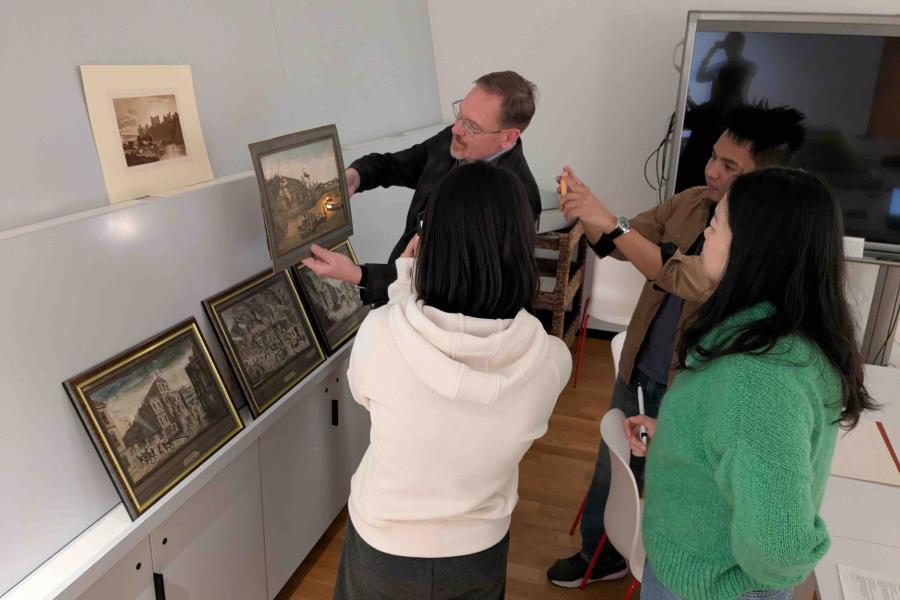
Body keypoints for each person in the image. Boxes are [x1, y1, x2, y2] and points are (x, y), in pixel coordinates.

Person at [547, 102, 806, 587]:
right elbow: (621, 242)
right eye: (713, 156)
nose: (711, 171)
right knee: (612, 470)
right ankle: (601, 552)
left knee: (674, 487)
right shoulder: (688, 202)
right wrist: (589, 210)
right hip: (640, 363)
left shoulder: (755, 251)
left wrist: (609, 220)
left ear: (763, 182)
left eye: (730, 166)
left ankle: (653, 560)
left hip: (688, 381)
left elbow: (678, 272)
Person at [622, 168, 875, 600]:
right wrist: (682, 436)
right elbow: (745, 443)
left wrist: (739, 586)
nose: (706, 232)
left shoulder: (757, 377)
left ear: (754, 249)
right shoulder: (775, 333)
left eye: (717, 223)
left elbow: (779, 548)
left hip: (706, 586)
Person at [333, 162, 571, 600]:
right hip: (478, 550)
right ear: (521, 245)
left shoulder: (382, 336)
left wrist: (402, 283)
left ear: (431, 242)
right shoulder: (551, 360)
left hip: (385, 544)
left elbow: (365, 393)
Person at [303, 71, 542, 306]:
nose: (456, 129)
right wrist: (355, 176)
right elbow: (395, 165)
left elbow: (463, 285)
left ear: (509, 137)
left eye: (472, 126)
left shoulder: (519, 198)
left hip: (442, 327)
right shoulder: (453, 141)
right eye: (460, 114)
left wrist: (360, 275)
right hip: (400, 300)